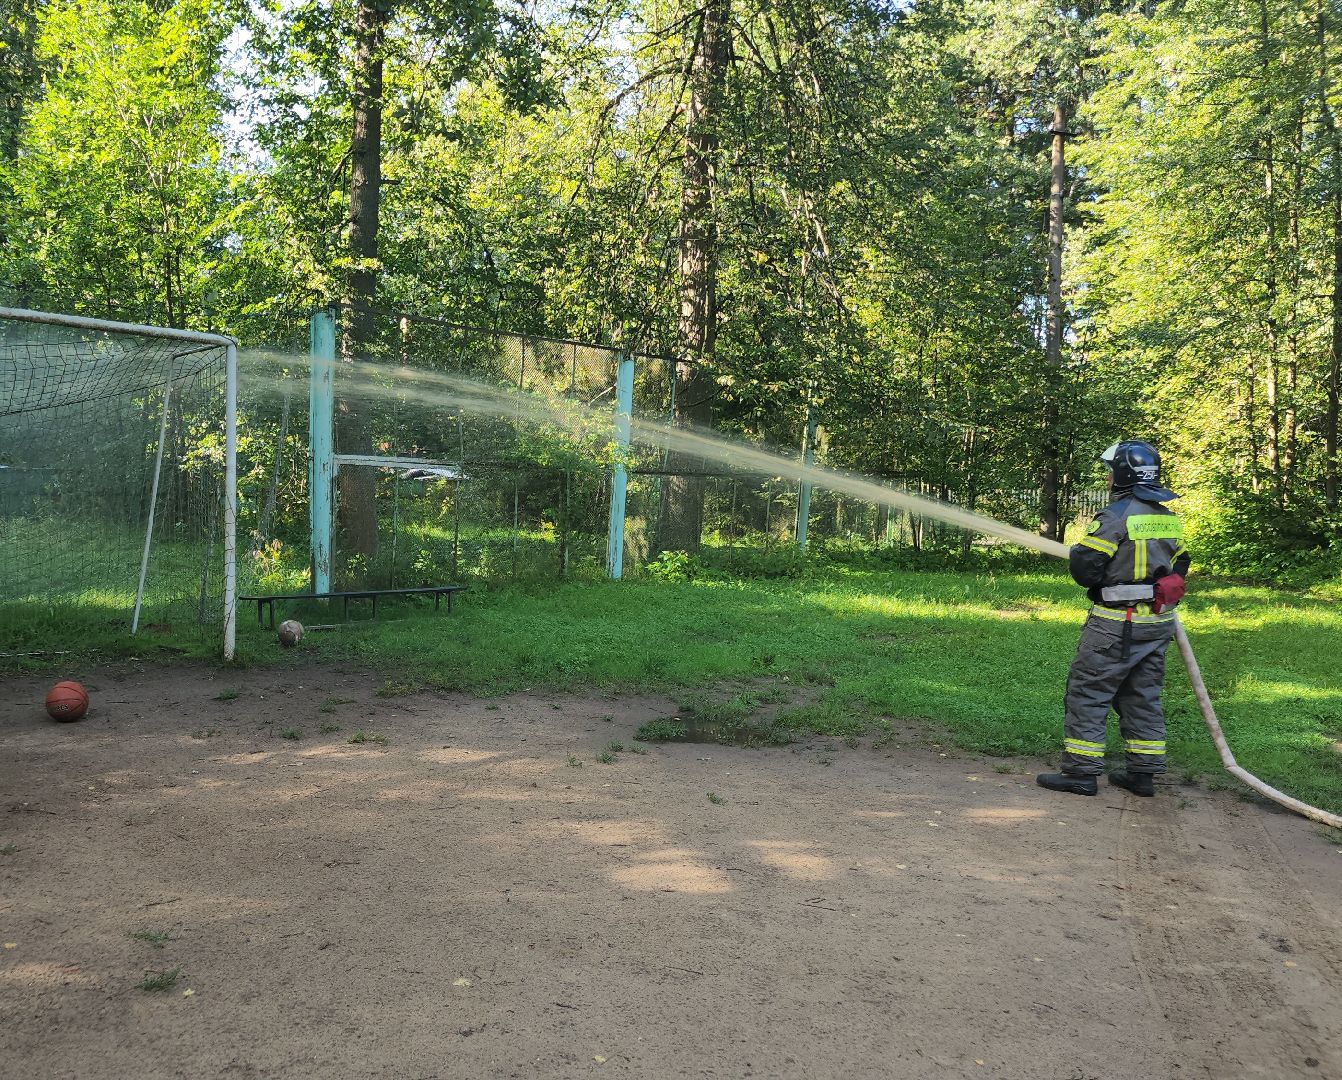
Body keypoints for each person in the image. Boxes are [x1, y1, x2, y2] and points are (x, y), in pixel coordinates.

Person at [1037, 440, 1190, 798]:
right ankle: (1143, 774)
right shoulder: (1167, 518)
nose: (1107, 477)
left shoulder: (1115, 516)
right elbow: (1181, 564)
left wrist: (1083, 557)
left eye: (1110, 470)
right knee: (1142, 696)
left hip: (1115, 625)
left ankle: (1081, 772)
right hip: (1156, 624)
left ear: (1121, 473)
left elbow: (1087, 571)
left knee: (1088, 693)